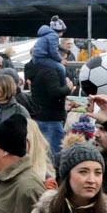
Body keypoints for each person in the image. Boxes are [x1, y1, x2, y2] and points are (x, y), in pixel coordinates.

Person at [25, 23, 69, 157]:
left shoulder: (31, 66)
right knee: (54, 156)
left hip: (40, 114)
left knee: (40, 155)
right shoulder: (51, 71)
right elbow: (55, 92)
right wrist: (67, 88)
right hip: (51, 117)